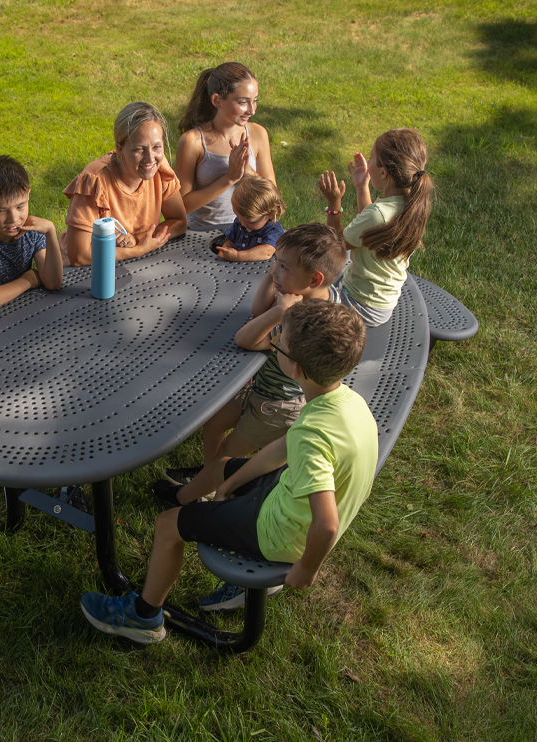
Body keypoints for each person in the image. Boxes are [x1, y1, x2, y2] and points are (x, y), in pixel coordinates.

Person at [80, 301, 376, 642]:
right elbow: (283, 447)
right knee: (221, 467)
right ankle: (196, 493)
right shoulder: (345, 402)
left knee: (168, 525)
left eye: (278, 341)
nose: (274, 340)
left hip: (278, 532)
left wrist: (306, 569)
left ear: (295, 369)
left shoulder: (313, 436)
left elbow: (326, 524)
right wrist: (232, 480)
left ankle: (143, 618)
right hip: (290, 502)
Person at [157, 223, 348, 506]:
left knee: (228, 455)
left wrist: (281, 310)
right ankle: (209, 481)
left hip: (278, 407)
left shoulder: (300, 320)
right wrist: (275, 276)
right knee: (213, 423)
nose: (274, 269)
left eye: (283, 266)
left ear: (314, 279)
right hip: (260, 389)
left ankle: (187, 497)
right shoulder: (316, 294)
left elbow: (244, 339)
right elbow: (259, 311)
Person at [318, 128, 435, 327]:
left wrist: (333, 204)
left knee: (302, 290)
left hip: (358, 304)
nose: (368, 161)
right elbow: (370, 225)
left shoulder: (378, 214)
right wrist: (362, 186)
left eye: (372, 157)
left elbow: (337, 244)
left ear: (383, 172)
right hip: (380, 302)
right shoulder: (411, 204)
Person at [61, 102, 187, 266]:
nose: (150, 159)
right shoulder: (94, 180)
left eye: (157, 147)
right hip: (82, 272)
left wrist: (137, 239)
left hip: (130, 264)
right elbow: (79, 256)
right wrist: (138, 250)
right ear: (120, 149)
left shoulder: (159, 169)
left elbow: (179, 221)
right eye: (139, 149)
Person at [175, 62, 277, 230]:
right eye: (243, 102)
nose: (252, 110)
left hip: (251, 231)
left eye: (255, 100)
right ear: (217, 100)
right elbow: (180, 207)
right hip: (204, 234)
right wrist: (230, 178)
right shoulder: (193, 142)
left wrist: (248, 172)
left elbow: (273, 198)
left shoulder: (258, 134)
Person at [0, 155, 63, 309]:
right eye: (1, 210)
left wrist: (50, 232)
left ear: (28, 195)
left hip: (26, 311)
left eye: (20, 206)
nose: (13, 219)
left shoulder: (31, 232)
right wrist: (27, 280)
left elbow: (53, 282)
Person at [212, 174, 285, 263]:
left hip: (257, 274)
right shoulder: (240, 223)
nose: (242, 223)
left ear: (269, 214)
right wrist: (219, 260)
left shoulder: (272, 229)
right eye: (239, 218)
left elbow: (267, 251)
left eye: (250, 222)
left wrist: (238, 256)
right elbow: (229, 243)